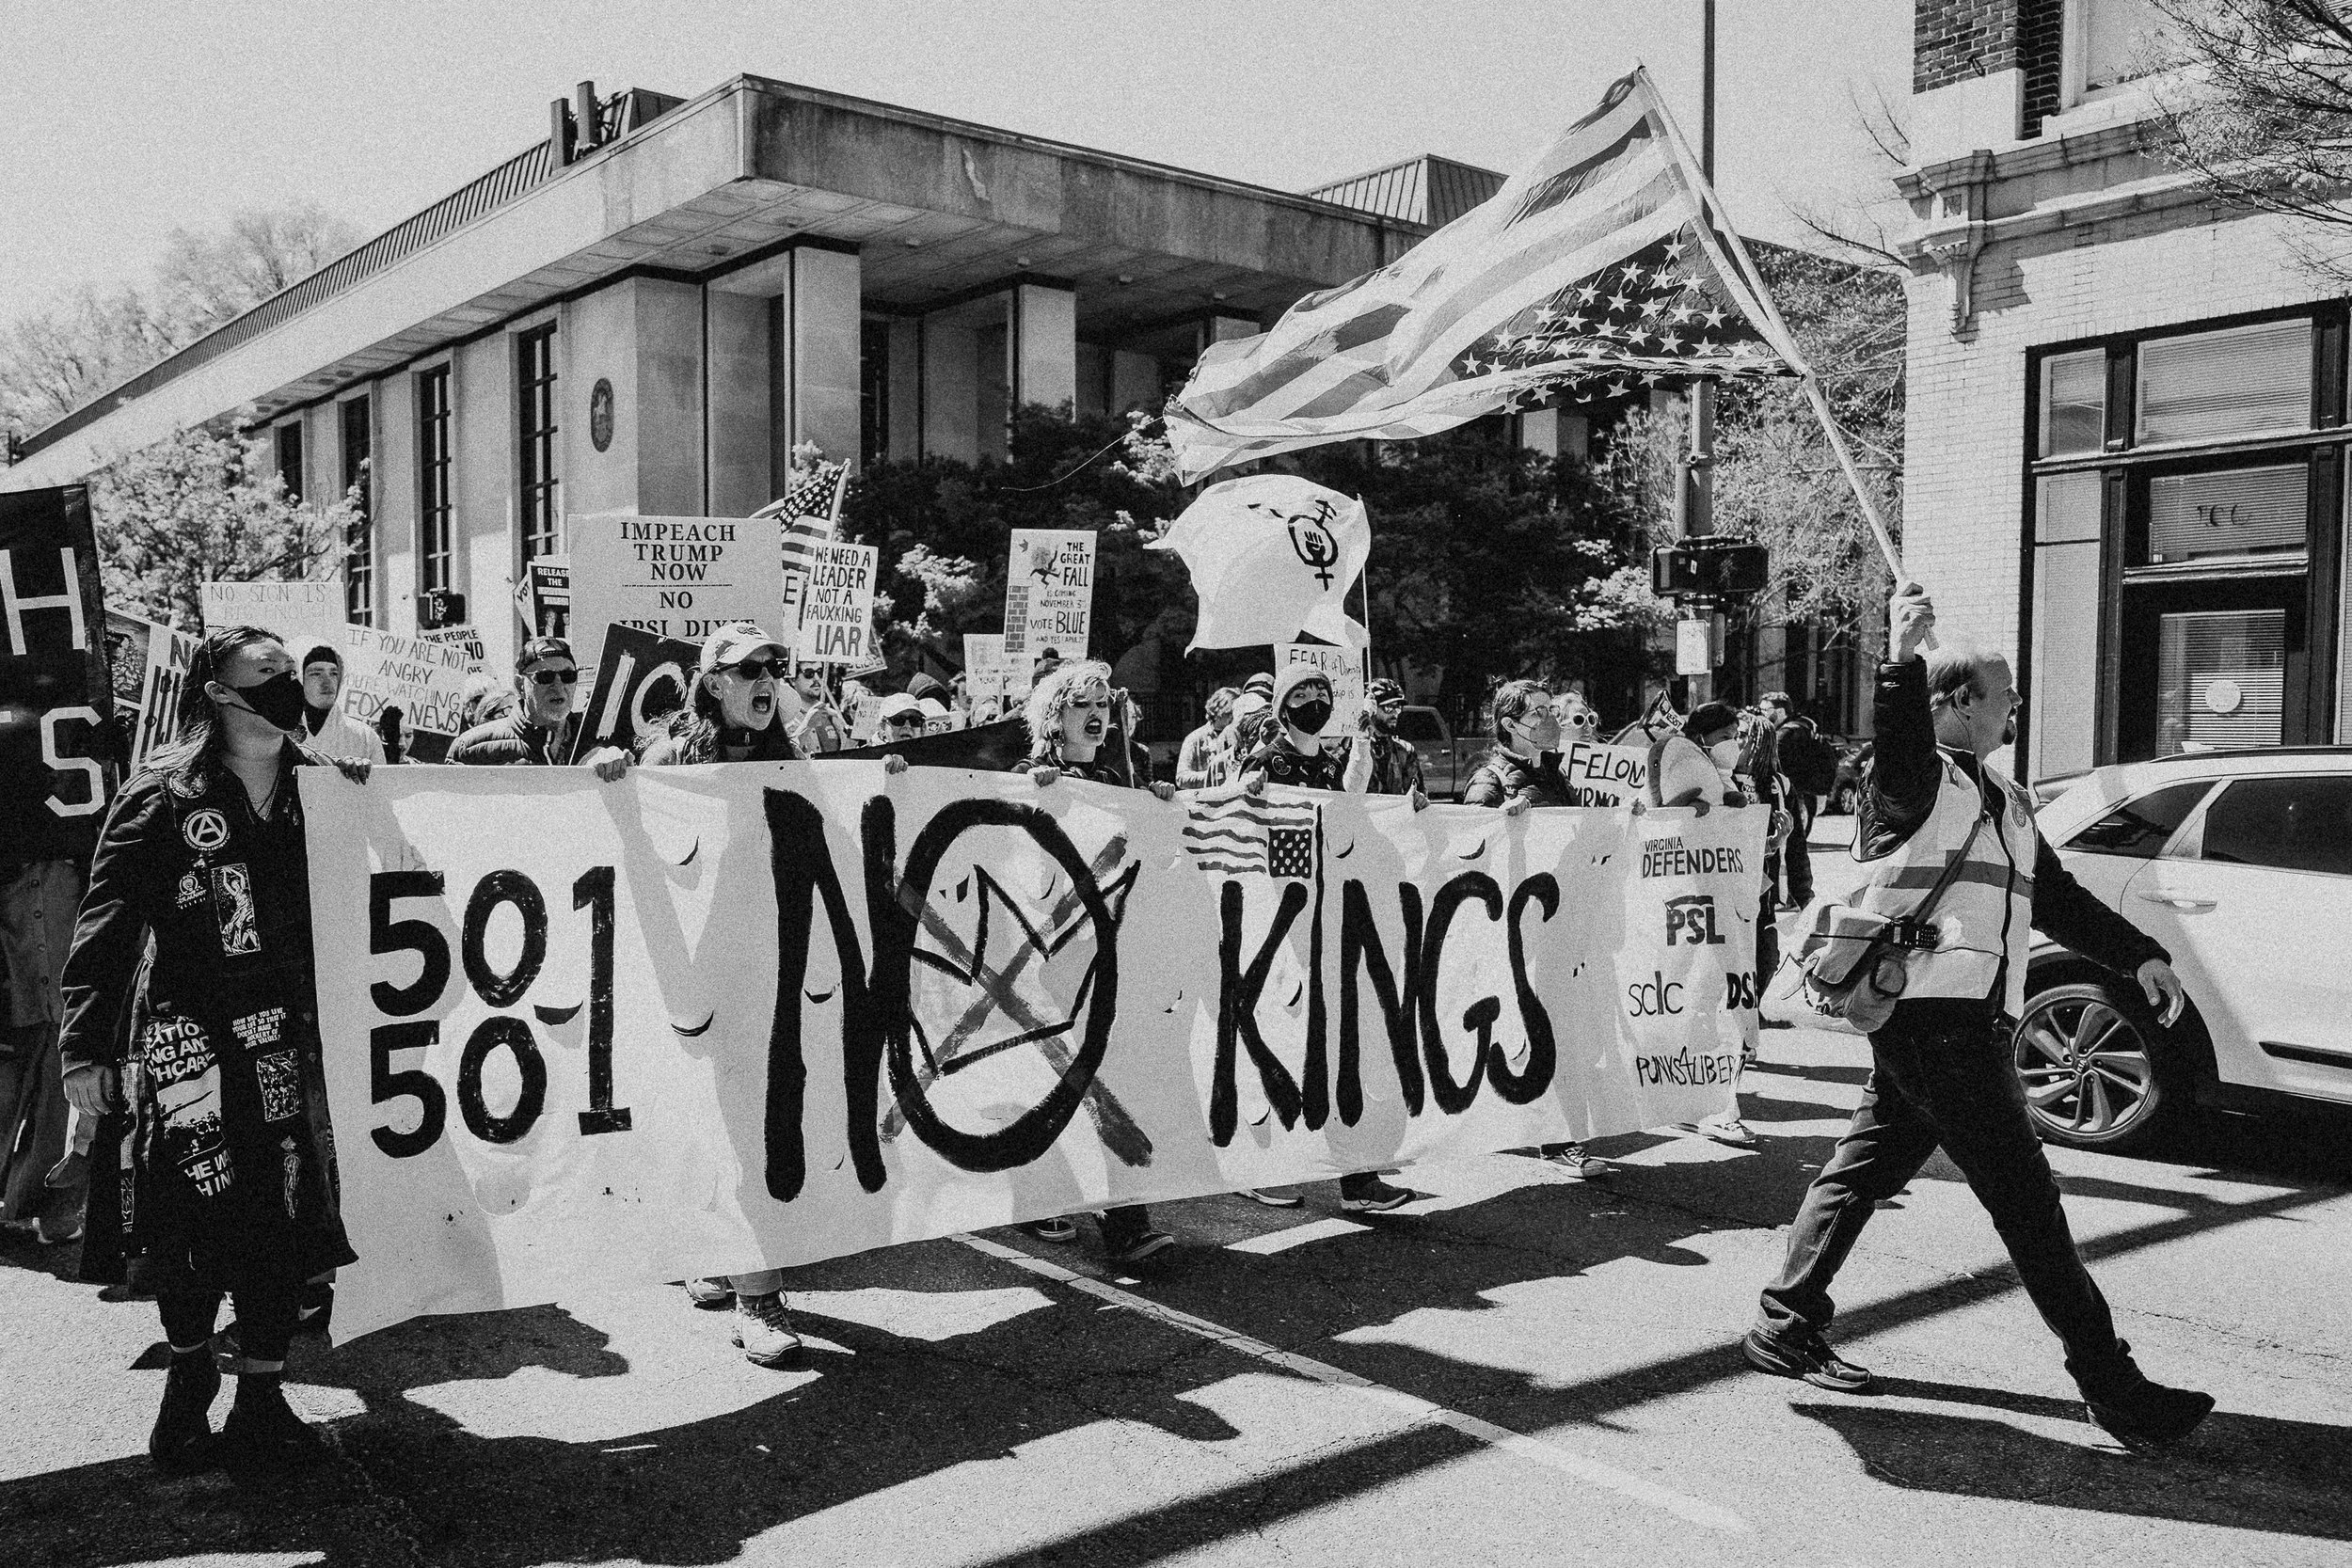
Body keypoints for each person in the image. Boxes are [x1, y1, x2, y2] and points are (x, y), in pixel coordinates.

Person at [1744, 585, 2214, 1450]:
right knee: (2030, 1205)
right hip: (1935, 1022)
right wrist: (1900, 653)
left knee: (1860, 1171)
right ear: (1956, 702)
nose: (2015, 708)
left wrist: (2142, 951)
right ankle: (2111, 1384)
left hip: (1967, 1023)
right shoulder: (1911, 779)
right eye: (2003, 695)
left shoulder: (2007, 800)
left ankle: (1786, 1318)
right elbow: (1895, 734)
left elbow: (2059, 900)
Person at [58, 626, 365, 1475]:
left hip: (286, 1045)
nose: (284, 684)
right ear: (221, 694)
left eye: (287, 671)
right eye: (262, 673)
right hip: (188, 1041)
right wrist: (85, 1047)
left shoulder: (327, 789)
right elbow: (106, 920)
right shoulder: (163, 793)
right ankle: (188, 1381)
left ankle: (262, 1398)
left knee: (282, 1218)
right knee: (190, 1219)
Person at [620, 624, 809, 1363]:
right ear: (714, 684)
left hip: (766, 971)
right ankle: (717, 1258)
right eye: (747, 668)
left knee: (755, 1127)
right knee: (701, 1118)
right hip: (688, 972)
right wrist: (614, 782)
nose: (766, 677)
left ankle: (756, 1299)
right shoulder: (670, 756)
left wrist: (883, 778)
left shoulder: (790, 758)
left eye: (774, 665)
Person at [1007, 659, 1183, 1265]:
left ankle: (1127, 1224)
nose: (1098, 713)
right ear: (1054, 717)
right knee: (1055, 1087)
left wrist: (1156, 807)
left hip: (1108, 960)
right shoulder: (1024, 780)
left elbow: (1158, 861)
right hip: (1044, 965)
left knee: (1114, 1082)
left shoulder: (1118, 780)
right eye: (1083, 702)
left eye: (1104, 703)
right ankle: (1041, 1199)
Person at [1232, 665, 1414, 1214]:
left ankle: (1357, 1177)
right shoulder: (1266, 762)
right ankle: (1258, 1164)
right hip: (1283, 929)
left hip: (1333, 921)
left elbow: (1353, 826)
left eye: (1322, 693)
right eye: (1302, 693)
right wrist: (1248, 792)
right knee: (1283, 1045)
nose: (1315, 701)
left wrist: (1405, 813)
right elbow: (1245, 824)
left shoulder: (1339, 762)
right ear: (1282, 705)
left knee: (1342, 1048)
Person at [1463, 680, 1611, 1180]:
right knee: (1550, 1030)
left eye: (1551, 709)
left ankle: (1536, 1125)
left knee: (1560, 1028)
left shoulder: (1552, 771)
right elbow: (1465, 850)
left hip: (1561, 920)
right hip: (1521, 928)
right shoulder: (1491, 780)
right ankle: (1556, 1137)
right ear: (1510, 724)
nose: (1551, 719)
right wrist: (1496, 823)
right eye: (1540, 712)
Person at [1646, 702, 1767, 1148]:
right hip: (1692, 906)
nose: (1735, 742)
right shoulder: (1680, 756)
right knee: (1703, 1001)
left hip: (1715, 905)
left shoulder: (1719, 774)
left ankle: (1702, 1103)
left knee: (1712, 1000)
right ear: (1706, 735)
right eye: (1729, 732)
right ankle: (1711, 1107)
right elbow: (1661, 821)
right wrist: (1688, 809)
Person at [449, 637, 583, 768]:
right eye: (545, 677)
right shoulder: (469, 749)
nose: (559, 686)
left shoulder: (593, 742)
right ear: (520, 686)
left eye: (568, 676)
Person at [1767, 692, 1836, 909]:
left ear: (1779, 712)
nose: (1761, 713)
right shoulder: (1805, 727)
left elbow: (1772, 761)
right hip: (1805, 796)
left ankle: (1796, 896)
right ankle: (1798, 896)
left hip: (1796, 798)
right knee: (1795, 847)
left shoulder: (1787, 733)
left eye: (1765, 709)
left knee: (1792, 847)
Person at [294, 643, 386, 766]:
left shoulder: (365, 736)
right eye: (316, 674)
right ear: (300, 678)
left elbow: (382, 783)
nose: (327, 683)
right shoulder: (280, 734)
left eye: (333, 674)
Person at [1342, 677, 1426, 799]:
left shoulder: (1405, 751)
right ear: (1372, 709)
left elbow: (1418, 796)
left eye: (1398, 708)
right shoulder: (1350, 748)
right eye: (1388, 707)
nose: (1395, 713)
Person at [1176, 687, 1240, 790]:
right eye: (1229, 714)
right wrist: (1213, 776)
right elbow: (1181, 778)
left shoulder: (1238, 736)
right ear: (1218, 711)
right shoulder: (1195, 739)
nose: (1233, 718)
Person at [787, 667, 848, 754]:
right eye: (809, 674)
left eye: (820, 672)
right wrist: (807, 725)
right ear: (792, 680)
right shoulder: (785, 715)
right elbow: (786, 756)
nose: (817, 678)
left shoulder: (832, 715)